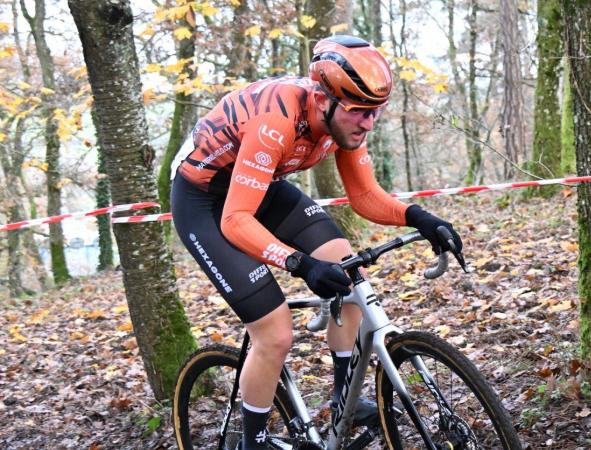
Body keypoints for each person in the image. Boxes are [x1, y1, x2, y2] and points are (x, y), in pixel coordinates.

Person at [170, 35, 462, 449]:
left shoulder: (342, 123)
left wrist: (420, 217)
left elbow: (363, 196)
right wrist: (301, 265)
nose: (368, 123)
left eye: (376, 112)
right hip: (204, 203)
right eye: (360, 113)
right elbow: (236, 221)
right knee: (274, 333)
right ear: (324, 100)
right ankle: (253, 443)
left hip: (260, 186)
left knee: (350, 274)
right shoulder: (276, 121)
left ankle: (344, 402)